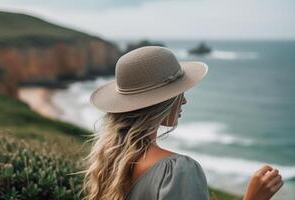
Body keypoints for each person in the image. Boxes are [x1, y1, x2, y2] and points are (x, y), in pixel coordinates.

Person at [82, 46, 283, 200]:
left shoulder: (110, 160)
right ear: (162, 101)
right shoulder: (177, 170)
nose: (184, 100)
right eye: (178, 92)